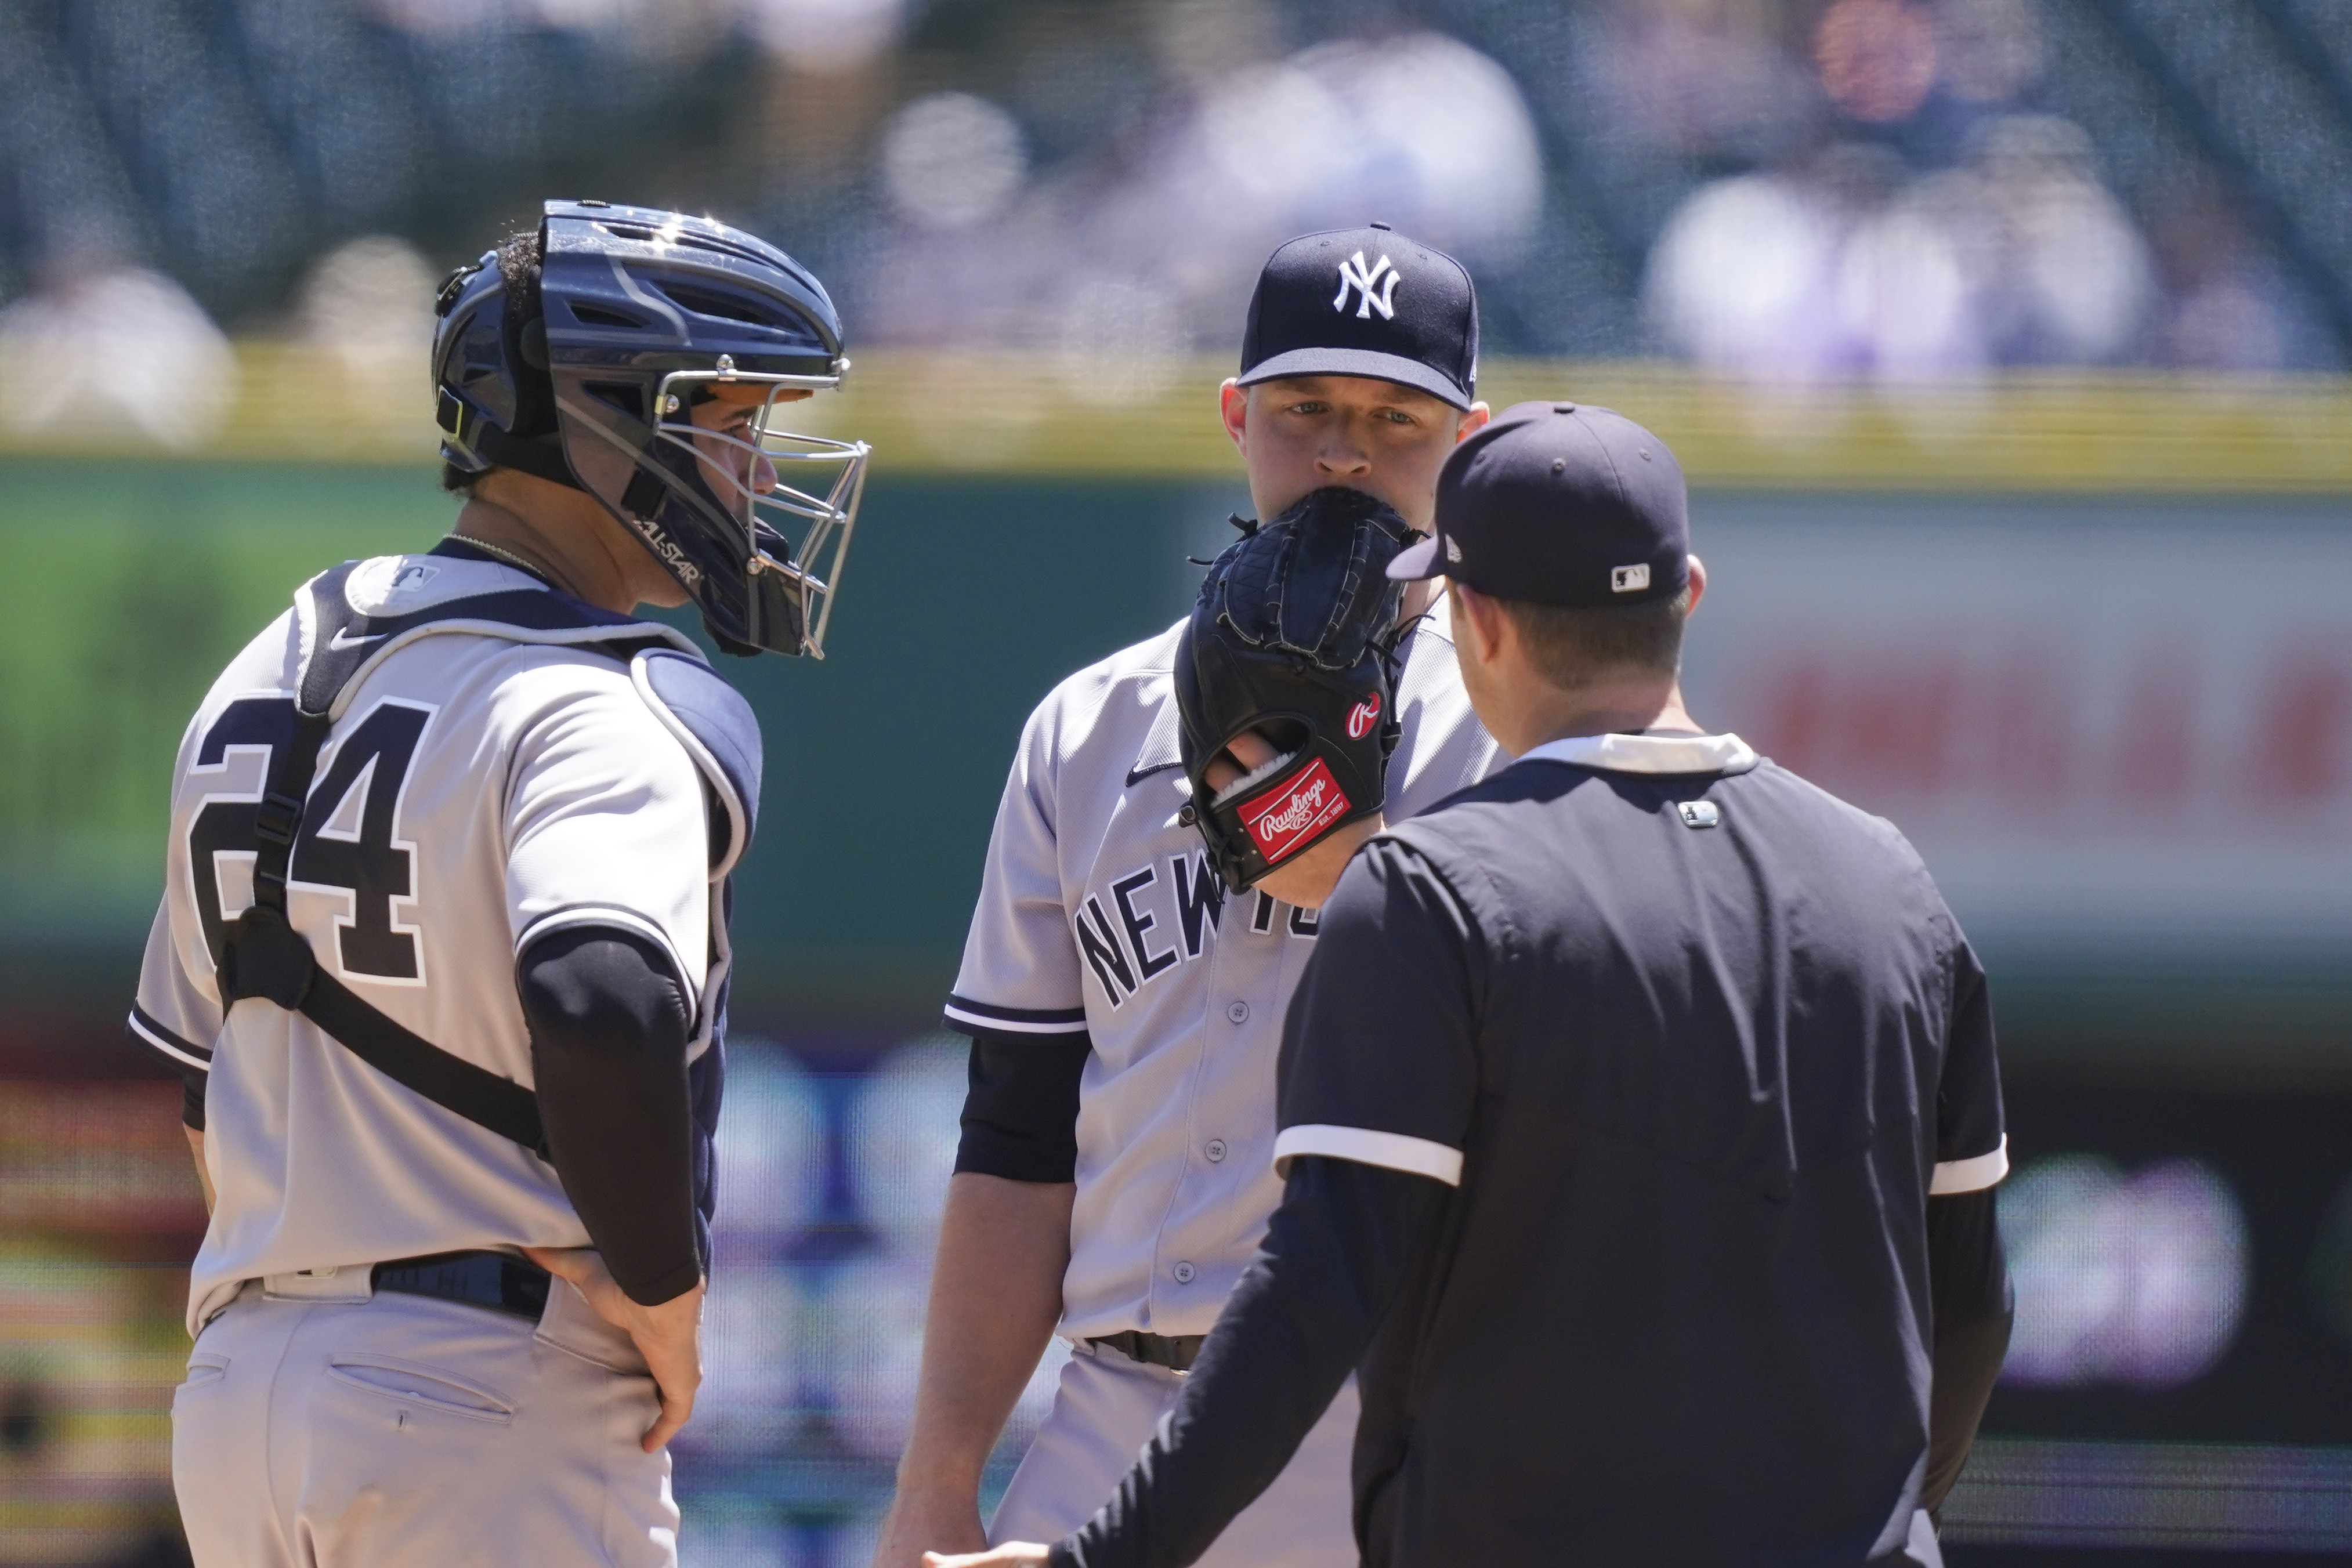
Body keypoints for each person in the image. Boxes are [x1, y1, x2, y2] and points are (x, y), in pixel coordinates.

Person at [929, 403, 2014, 1568]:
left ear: (1477, 620)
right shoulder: (1890, 883)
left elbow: (1314, 1291)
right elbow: (1968, 1304)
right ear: (1684, 594)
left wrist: (1104, 1556)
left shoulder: (1432, 889)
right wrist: (1898, 1516)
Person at [126, 200, 869, 1566]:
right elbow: (597, 995)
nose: (756, 473)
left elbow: (195, 1080)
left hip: (237, 1394)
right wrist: (665, 1287)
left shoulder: (264, 660)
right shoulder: (605, 697)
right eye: (730, 419)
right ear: (604, 412)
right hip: (481, 1383)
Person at [870, 225, 1501, 1568]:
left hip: (1394, 1421)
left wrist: (1361, 874)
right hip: (1112, 1415)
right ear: (1236, 416)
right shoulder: (1088, 725)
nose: (1344, 453)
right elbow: (1016, 1134)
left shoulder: (1506, 729)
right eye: (1306, 410)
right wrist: (936, 1480)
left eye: (1395, 419)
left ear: (1465, 440)